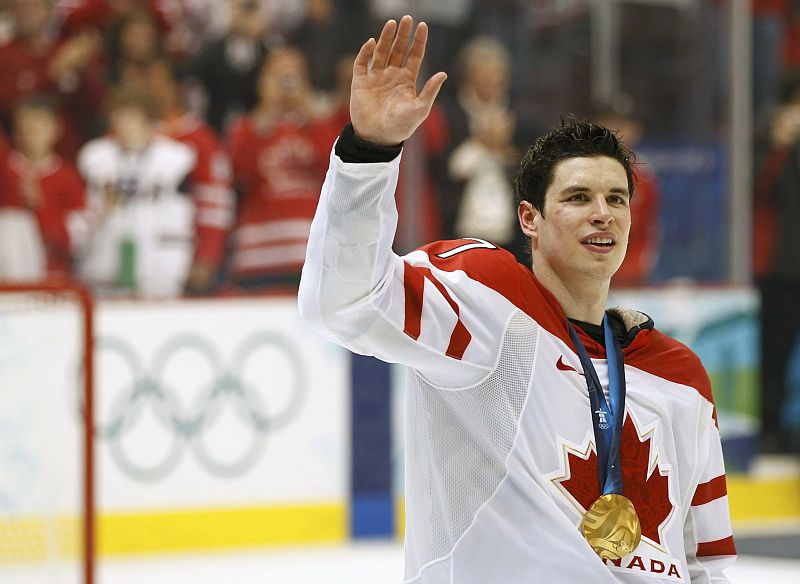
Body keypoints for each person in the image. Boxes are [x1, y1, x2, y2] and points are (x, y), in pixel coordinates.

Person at [298, 16, 735, 582]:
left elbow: (707, 563)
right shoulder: (487, 305)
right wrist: (370, 151)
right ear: (528, 217)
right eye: (578, 197)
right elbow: (345, 302)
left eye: (616, 198)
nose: (602, 212)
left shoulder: (679, 375)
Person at [226, 46, 333, 290]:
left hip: (311, 257)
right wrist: (266, 110)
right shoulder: (246, 127)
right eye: (278, 75)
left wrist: (308, 107)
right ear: (262, 81)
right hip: (258, 257)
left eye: (293, 75)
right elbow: (238, 173)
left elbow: (337, 168)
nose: (287, 83)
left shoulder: (318, 125)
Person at [74, 89, 196, 298]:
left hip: (157, 269)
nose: (124, 124)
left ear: (149, 121)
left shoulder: (176, 159)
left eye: (132, 117)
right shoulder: (94, 158)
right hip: (104, 266)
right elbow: (78, 212)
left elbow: (190, 214)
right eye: (119, 117)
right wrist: (100, 212)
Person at [0, 94, 85, 280]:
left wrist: (41, 208)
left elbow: (77, 240)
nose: (32, 132)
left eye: (39, 126)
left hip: (52, 279)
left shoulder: (67, 177)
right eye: (26, 125)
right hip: (6, 275)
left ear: (56, 129)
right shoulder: (5, 169)